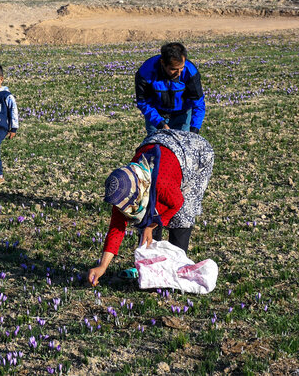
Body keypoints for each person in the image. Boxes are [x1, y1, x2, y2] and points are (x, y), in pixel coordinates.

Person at [87, 129, 215, 286]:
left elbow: (177, 203)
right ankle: (153, 265)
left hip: (195, 152)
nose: (124, 211)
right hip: (161, 144)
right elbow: (116, 227)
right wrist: (102, 266)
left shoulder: (162, 182)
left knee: (181, 216)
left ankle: (177, 267)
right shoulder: (123, 188)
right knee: (147, 216)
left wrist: (153, 224)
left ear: (139, 189)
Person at [135, 42, 205, 135]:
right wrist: (160, 124)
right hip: (156, 115)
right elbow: (143, 102)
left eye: (181, 68)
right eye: (174, 69)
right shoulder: (146, 72)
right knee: (157, 147)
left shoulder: (190, 72)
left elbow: (198, 103)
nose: (179, 73)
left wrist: (194, 130)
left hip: (182, 115)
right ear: (163, 62)